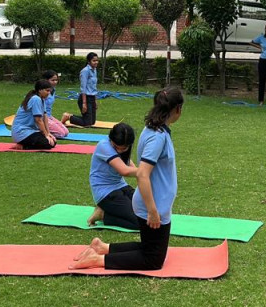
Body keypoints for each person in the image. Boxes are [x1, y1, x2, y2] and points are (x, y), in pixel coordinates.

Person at [70, 87, 184, 271]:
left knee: (150, 249)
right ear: (178, 109)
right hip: (154, 203)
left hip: (156, 201)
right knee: (153, 260)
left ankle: (102, 248)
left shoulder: (153, 129)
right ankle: (97, 260)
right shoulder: (157, 137)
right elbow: (142, 174)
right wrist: (152, 210)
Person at [85, 123, 141, 229]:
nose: (119, 151)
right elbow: (124, 171)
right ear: (111, 139)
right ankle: (103, 215)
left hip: (121, 186)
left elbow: (131, 166)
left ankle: (106, 211)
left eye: (123, 148)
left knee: (146, 213)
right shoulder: (104, 145)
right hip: (105, 192)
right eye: (116, 147)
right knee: (140, 223)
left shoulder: (123, 146)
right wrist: (145, 172)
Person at [12, 79, 57, 150]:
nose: (49, 93)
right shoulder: (36, 99)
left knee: (53, 141)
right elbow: (38, 120)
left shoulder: (42, 99)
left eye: (49, 91)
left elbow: (45, 117)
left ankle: (24, 144)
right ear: (40, 90)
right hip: (22, 132)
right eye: (47, 90)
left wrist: (48, 133)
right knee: (47, 143)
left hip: (31, 131)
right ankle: (23, 146)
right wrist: (45, 135)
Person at [66, 53, 99, 127]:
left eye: (97, 60)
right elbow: (83, 88)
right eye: (94, 60)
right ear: (89, 61)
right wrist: (84, 103)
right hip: (85, 98)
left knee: (92, 122)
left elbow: (94, 87)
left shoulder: (95, 70)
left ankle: (73, 117)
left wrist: (95, 100)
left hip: (92, 97)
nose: (96, 62)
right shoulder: (85, 71)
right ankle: (69, 116)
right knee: (87, 124)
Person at [41, 70, 70, 138]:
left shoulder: (53, 90)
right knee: (61, 134)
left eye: (56, 80)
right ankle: (40, 131)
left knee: (66, 132)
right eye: (52, 80)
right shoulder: (43, 91)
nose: (55, 82)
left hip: (49, 116)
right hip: (42, 117)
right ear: (46, 80)